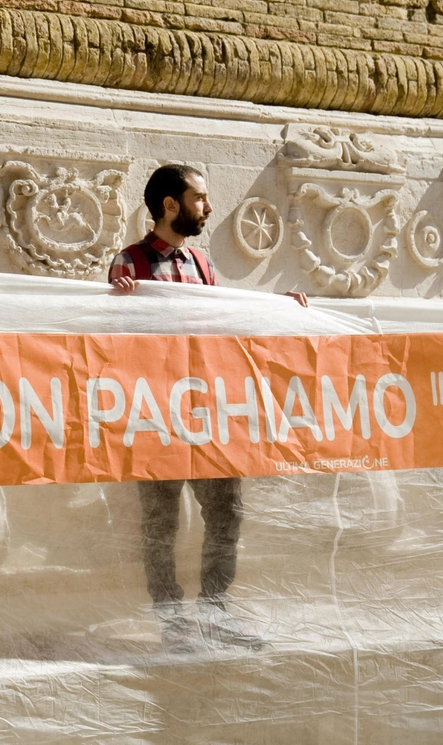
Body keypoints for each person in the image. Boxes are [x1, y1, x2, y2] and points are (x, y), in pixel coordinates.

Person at [108, 164, 307, 653]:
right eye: (199, 198)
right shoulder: (129, 263)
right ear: (170, 206)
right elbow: (109, 336)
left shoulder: (201, 265)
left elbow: (228, 318)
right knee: (161, 525)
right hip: (154, 416)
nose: (209, 207)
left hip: (207, 414)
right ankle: (173, 624)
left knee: (227, 515)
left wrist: (280, 308)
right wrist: (119, 302)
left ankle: (215, 614)